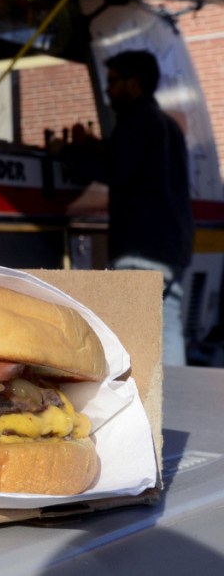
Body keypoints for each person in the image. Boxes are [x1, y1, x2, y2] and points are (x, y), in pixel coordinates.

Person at [49, 49, 193, 365]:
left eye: (113, 81)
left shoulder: (137, 119)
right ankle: (174, 400)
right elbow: (128, 160)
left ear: (134, 84)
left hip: (142, 248)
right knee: (165, 325)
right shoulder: (166, 125)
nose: (107, 90)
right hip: (172, 246)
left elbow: (115, 169)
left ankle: (148, 405)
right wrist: (94, 147)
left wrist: (66, 152)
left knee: (137, 332)